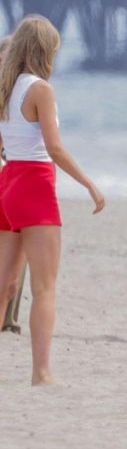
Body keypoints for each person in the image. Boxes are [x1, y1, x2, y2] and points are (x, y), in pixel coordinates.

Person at [0, 15, 105, 385]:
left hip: (8, 181)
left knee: (5, 285)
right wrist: (89, 183)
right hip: (34, 183)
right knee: (44, 287)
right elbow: (54, 147)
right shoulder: (41, 90)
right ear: (44, 50)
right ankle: (41, 373)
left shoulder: (6, 88)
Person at [1, 33, 28, 335]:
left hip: (18, 173)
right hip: (10, 172)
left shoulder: (22, 90)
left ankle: (10, 316)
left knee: (19, 249)